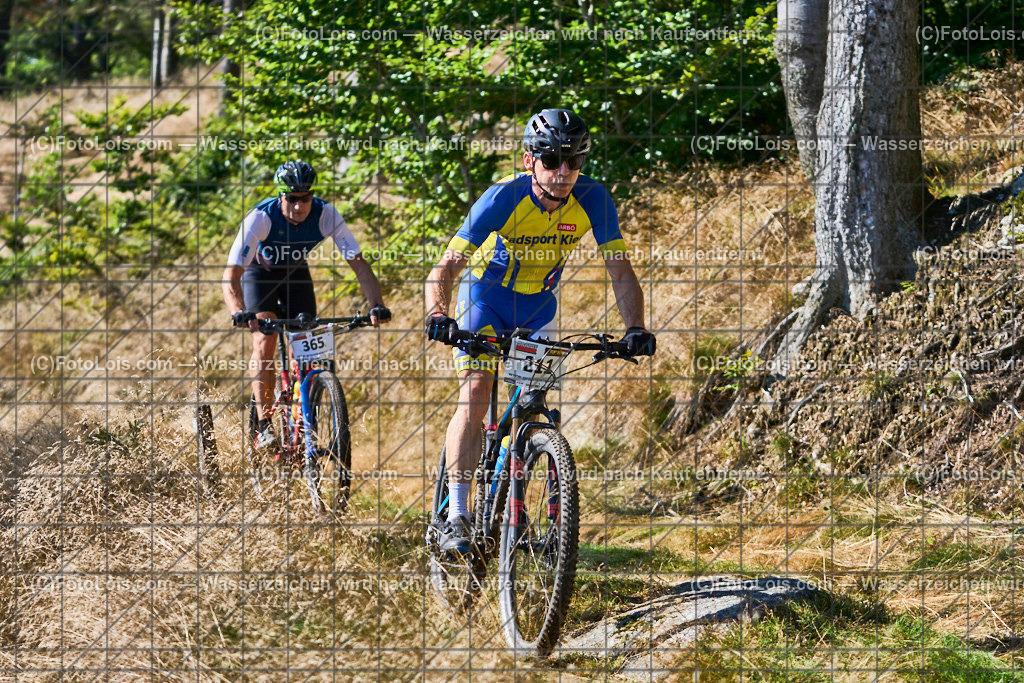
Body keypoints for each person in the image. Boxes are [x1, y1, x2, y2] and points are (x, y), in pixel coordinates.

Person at [424, 109, 656, 552]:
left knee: (535, 405)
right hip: (484, 299)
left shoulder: (592, 198)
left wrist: (636, 327)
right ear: (530, 161)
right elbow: (446, 268)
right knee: (475, 395)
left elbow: (620, 269)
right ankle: (456, 516)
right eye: (551, 160)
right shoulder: (501, 198)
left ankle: (524, 502)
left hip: (539, 308)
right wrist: (439, 315)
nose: (563, 171)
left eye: (573, 160)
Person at [222, 160, 391, 454]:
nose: (299, 206)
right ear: (280, 197)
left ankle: (302, 421)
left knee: (309, 344)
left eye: (305, 198)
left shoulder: (326, 215)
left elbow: (360, 266)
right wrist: (239, 310)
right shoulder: (261, 218)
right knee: (265, 338)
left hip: (295, 274)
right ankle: (264, 426)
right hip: (259, 275)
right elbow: (231, 274)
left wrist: (376, 305)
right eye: (292, 198)